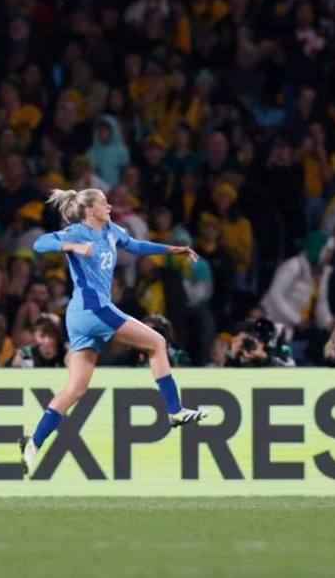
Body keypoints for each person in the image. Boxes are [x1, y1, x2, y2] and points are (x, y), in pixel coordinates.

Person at [20, 188, 208, 477]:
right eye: (104, 203)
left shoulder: (110, 229)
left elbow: (136, 246)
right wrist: (72, 247)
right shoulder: (78, 232)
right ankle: (175, 410)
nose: (109, 206)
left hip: (80, 316)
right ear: (90, 210)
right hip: (94, 310)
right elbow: (39, 244)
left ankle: (33, 443)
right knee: (157, 342)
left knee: (76, 389)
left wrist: (172, 250)